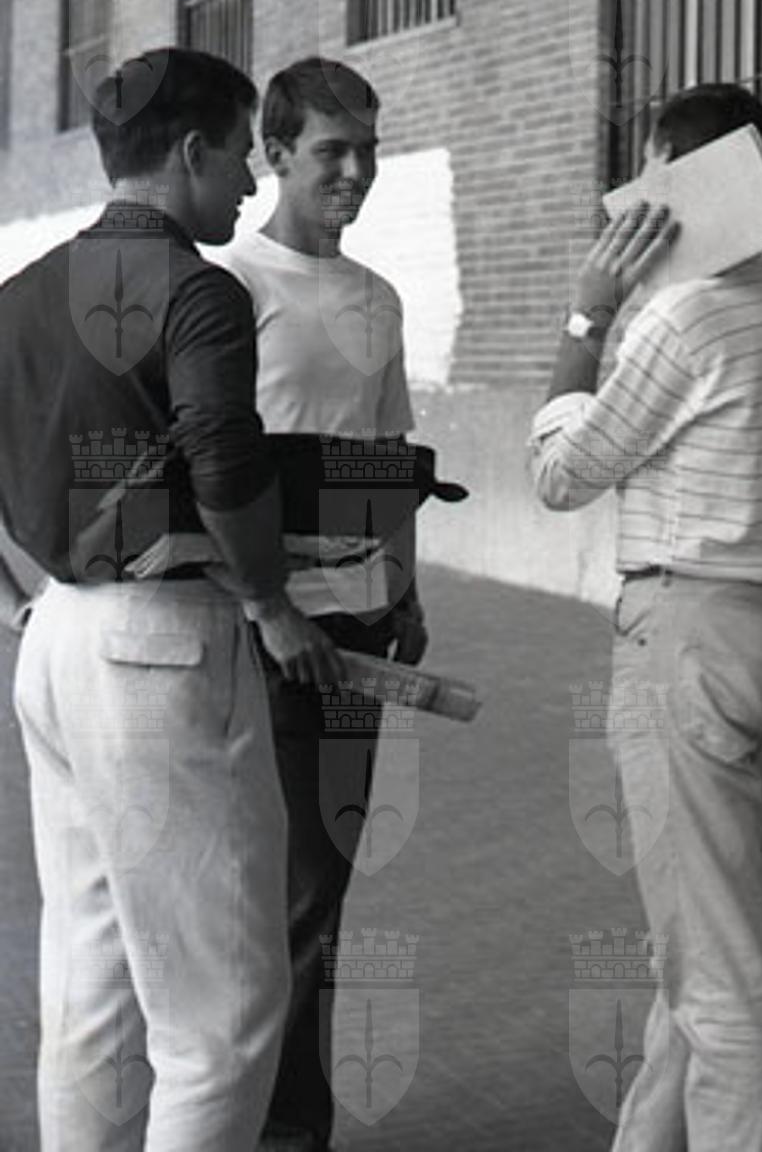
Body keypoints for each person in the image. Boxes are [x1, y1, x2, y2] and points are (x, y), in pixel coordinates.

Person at [0, 47, 344, 1152]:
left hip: (57, 640)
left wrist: (18, 599)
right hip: (164, 650)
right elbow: (222, 458)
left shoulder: (21, 292)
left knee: (93, 983)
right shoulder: (199, 288)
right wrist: (272, 600)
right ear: (190, 151)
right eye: (239, 152)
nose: (247, 179)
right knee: (222, 1015)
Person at [530, 83, 762, 1151]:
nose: (633, 197)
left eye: (650, 169)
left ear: (686, 175)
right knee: (707, 939)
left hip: (690, 639)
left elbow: (561, 475)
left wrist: (588, 316)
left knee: (717, 975)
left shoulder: (681, 317)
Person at [218, 57, 441, 1152]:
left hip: (357, 630)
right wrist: (266, 608)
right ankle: (261, 1122)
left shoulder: (378, 298)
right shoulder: (229, 288)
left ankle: (284, 1121)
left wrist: (406, 585)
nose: (356, 171)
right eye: (331, 151)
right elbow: (214, 474)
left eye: (369, 149)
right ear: (273, 155)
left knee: (324, 891)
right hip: (257, 632)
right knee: (266, 890)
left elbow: (387, 456)